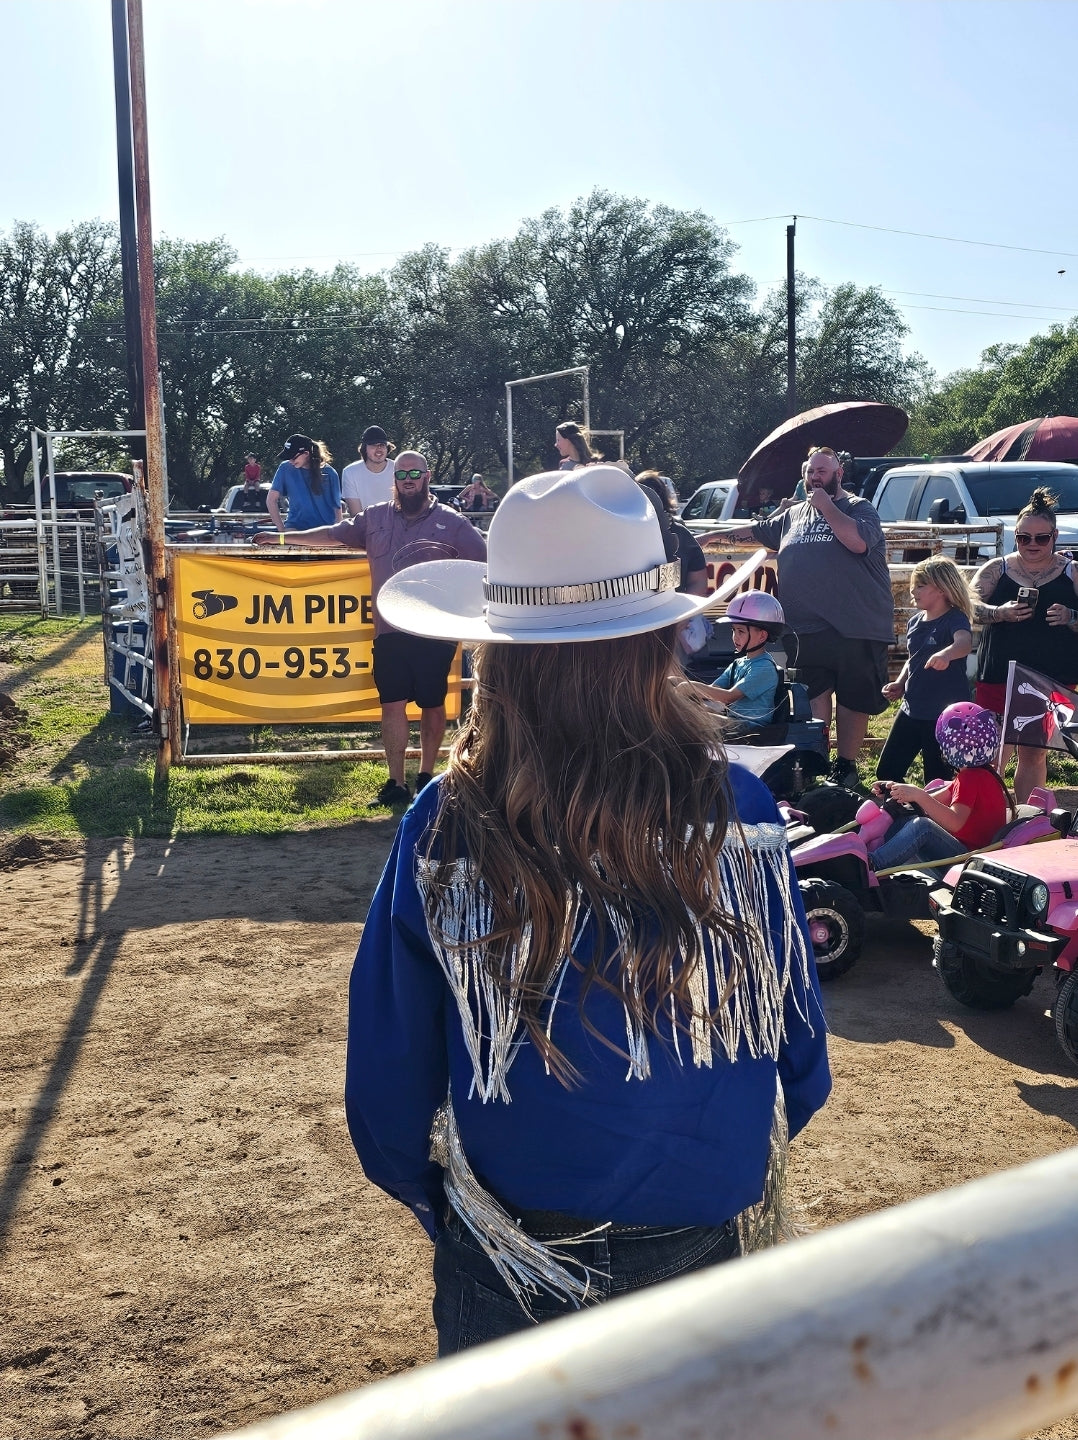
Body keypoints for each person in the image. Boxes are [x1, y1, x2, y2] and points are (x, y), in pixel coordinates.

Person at [343, 464, 831, 1355]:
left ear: (497, 653)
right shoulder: (740, 814)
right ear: (658, 640)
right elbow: (797, 1049)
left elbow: (388, 1068)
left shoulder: (449, 822)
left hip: (513, 1243)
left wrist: (444, 1203)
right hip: (702, 1232)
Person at [255, 450, 486, 805]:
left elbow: (485, 560)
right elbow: (333, 534)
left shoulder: (451, 522)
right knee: (391, 703)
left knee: (432, 703)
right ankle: (395, 783)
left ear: (427, 477)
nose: (408, 481)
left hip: (435, 632)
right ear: (394, 480)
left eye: (415, 474)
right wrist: (281, 539)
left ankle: (426, 779)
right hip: (389, 630)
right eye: (402, 475)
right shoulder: (375, 518)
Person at [709, 446, 894, 788]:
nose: (815, 477)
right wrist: (705, 539)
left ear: (839, 474)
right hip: (806, 628)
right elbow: (756, 532)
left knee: (853, 700)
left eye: (822, 471)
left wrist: (825, 506)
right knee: (813, 695)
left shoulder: (859, 508)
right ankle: (817, 765)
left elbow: (856, 543)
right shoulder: (793, 515)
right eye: (810, 471)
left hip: (856, 626)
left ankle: (847, 766)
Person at [972, 487, 1078, 802]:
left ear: (1055, 536)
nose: (1032, 544)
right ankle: (987, 816)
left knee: (1033, 753)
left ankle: (1027, 821)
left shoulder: (1071, 572)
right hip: (998, 673)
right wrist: (999, 613)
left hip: (1050, 677)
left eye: (1041, 538)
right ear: (1015, 536)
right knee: (990, 750)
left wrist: (1071, 616)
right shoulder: (997, 569)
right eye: (1024, 537)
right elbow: (968, 606)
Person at [867, 703, 1010, 872]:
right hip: (967, 854)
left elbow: (955, 822)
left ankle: (871, 864)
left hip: (968, 859)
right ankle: (875, 857)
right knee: (905, 819)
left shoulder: (970, 778)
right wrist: (897, 790)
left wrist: (919, 795)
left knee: (923, 827)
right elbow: (932, 801)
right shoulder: (983, 774)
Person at [877, 557, 973, 784]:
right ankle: (904, 813)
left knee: (937, 780)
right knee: (887, 771)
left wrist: (946, 654)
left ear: (941, 589)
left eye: (921, 585)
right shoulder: (915, 622)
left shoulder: (955, 618)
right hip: (911, 708)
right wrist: (900, 683)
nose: (913, 590)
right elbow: (913, 660)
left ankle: (933, 817)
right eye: (914, 584)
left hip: (943, 716)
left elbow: (965, 643)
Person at [683, 592, 784, 733]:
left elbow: (729, 696)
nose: (735, 637)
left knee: (689, 719)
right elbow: (713, 690)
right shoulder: (738, 663)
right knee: (684, 714)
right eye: (734, 630)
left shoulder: (764, 667)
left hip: (751, 729)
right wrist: (677, 685)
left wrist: (689, 686)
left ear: (762, 636)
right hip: (735, 723)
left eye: (741, 631)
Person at [267, 435, 341, 534]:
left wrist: (337, 534)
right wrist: (282, 531)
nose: (290, 461)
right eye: (288, 458)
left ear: (306, 453)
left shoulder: (330, 473)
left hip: (324, 532)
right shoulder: (285, 468)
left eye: (293, 457)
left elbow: (337, 508)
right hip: (295, 530)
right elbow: (271, 500)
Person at [341, 425, 395, 517]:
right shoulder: (350, 472)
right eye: (373, 445)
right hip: (365, 528)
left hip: (397, 527)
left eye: (382, 445)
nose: (379, 449)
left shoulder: (399, 468)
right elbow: (356, 515)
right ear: (364, 448)